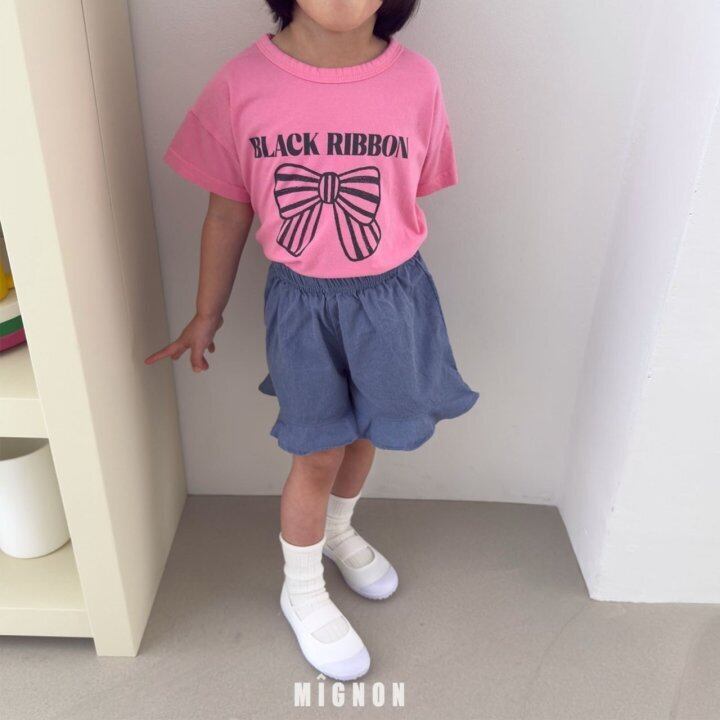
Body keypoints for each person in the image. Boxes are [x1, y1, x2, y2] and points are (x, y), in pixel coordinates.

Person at [145, 0, 478, 682]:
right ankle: (300, 587)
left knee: (369, 430)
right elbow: (226, 212)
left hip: (393, 298)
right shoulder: (241, 84)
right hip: (303, 306)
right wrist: (206, 313)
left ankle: (338, 530)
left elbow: (408, 193)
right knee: (318, 448)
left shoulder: (418, 81)